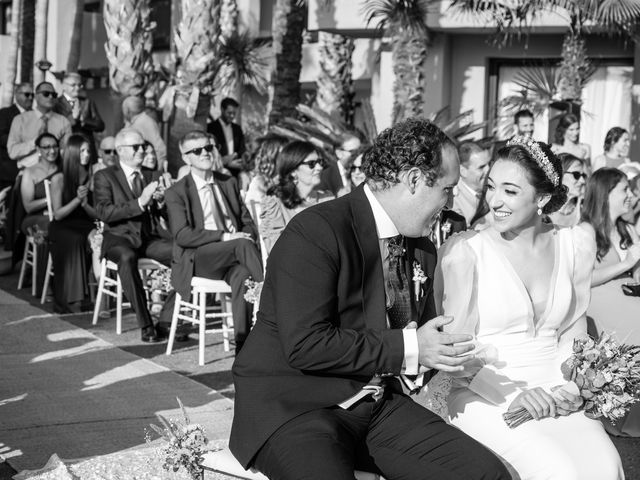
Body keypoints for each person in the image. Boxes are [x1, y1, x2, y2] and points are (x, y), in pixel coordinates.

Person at [230, 118, 510, 480]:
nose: (451, 201)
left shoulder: (422, 247)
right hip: (296, 405)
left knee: (485, 474)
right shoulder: (316, 230)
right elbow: (305, 344)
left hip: (376, 405)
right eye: (446, 189)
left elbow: (415, 342)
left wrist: (440, 357)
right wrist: (412, 347)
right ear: (413, 180)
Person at [426, 137, 623, 479]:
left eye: (510, 191)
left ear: (542, 198)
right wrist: (513, 394)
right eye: (491, 187)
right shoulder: (465, 252)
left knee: (604, 465)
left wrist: (574, 389)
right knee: (558, 469)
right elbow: (455, 350)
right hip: (483, 389)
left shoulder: (574, 246)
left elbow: (574, 336)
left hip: (555, 390)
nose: (495, 201)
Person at [164, 131, 263, 353]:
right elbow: (182, 235)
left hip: (234, 257)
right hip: (199, 258)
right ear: (185, 157)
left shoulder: (227, 182)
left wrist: (245, 234)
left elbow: (247, 223)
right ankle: (274, 299)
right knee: (242, 245)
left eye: (208, 148)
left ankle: (244, 348)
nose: (205, 153)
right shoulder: (177, 192)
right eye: (197, 150)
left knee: (243, 277)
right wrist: (227, 237)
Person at [93, 128, 173, 343]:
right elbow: (104, 212)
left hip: (148, 238)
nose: (142, 150)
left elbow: (165, 214)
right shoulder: (104, 176)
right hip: (118, 237)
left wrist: (163, 202)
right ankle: (145, 323)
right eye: (136, 147)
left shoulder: (152, 175)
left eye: (143, 146)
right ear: (120, 150)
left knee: (184, 255)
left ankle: (166, 320)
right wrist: (140, 202)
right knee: (127, 258)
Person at [583, 168, 640, 437]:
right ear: (605, 194)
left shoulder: (626, 227)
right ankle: (619, 412)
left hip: (628, 294)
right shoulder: (586, 231)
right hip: (598, 299)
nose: (630, 195)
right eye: (624, 190)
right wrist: (627, 263)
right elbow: (583, 277)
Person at [48, 134, 97, 313]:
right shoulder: (59, 178)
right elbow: (58, 214)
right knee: (76, 239)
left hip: (85, 223)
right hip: (62, 226)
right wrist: (77, 200)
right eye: (82, 150)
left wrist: (84, 204)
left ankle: (101, 296)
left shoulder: (92, 178)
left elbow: (96, 215)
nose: (86, 154)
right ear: (73, 153)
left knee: (96, 238)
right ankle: (73, 298)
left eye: (88, 150)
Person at [259, 141, 334, 254]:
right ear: (293, 171)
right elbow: (276, 251)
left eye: (320, 162)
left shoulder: (327, 199)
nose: (319, 167)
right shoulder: (275, 204)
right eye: (311, 164)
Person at [7, 82, 71, 170]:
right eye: (46, 94)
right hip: (26, 173)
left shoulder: (63, 122)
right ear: (36, 96)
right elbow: (12, 152)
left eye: (54, 94)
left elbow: (68, 153)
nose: (50, 97)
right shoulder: (20, 120)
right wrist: (35, 142)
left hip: (55, 173)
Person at [53, 72, 104, 142]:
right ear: (64, 86)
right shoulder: (56, 103)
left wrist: (84, 121)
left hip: (86, 145)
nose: (77, 88)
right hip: (67, 145)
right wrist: (73, 119)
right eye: (73, 85)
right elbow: (55, 128)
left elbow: (100, 125)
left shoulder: (87, 102)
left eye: (79, 85)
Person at [0, 82, 33, 191]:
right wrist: (25, 144)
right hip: (8, 171)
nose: (31, 98)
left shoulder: (35, 115)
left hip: (31, 170)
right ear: (16, 94)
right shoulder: (5, 113)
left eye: (33, 95)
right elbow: (1, 137)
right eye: (27, 94)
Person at [122, 96, 167, 171]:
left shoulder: (145, 122)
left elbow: (160, 148)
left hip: (148, 168)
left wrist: (157, 171)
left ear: (127, 111)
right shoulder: (132, 122)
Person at [243, 135, 289, 206]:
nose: (289, 157)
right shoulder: (258, 183)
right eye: (284, 153)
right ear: (271, 155)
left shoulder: (288, 180)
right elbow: (259, 214)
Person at [452, 141, 490, 225]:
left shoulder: (494, 188)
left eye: (489, 164)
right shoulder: (454, 201)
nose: (488, 170)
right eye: (481, 167)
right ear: (463, 171)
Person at [207, 97, 246, 177]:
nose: (232, 116)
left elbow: (242, 149)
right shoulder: (211, 128)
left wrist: (237, 158)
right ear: (222, 109)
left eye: (234, 113)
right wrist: (227, 163)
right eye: (229, 113)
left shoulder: (237, 129)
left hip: (236, 171)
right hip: (218, 171)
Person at [546, 153, 587, 228]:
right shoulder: (542, 207)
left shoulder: (583, 208)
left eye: (583, 176)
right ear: (560, 175)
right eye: (576, 175)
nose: (582, 181)